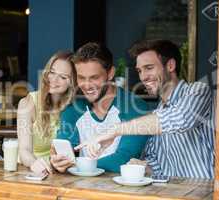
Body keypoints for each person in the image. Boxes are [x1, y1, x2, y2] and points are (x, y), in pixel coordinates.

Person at [76, 39, 215, 179]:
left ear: (170, 65)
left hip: (205, 192)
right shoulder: (157, 112)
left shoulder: (198, 91)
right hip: (175, 193)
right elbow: (159, 165)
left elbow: (181, 119)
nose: (143, 77)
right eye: (139, 71)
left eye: (149, 68)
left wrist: (114, 131)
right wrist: (144, 167)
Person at [50, 42, 150, 173]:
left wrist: (79, 165)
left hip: (123, 189)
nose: (87, 85)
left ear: (110, 73)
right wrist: (56, 161)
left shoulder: (135, 107)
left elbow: (124, 159)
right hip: (79, 188)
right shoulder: (73, 109)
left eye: (94, 77)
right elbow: (63, 149)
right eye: (81, 78)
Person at [17, 51, 77, 177]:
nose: (54, 80)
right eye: (52, 72)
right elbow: (24, 151)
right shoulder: (27, 104)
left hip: (60, 174)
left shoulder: (74, 108)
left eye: (63, 77)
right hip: (29, 172)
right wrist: (34, 163)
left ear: (72, 83)